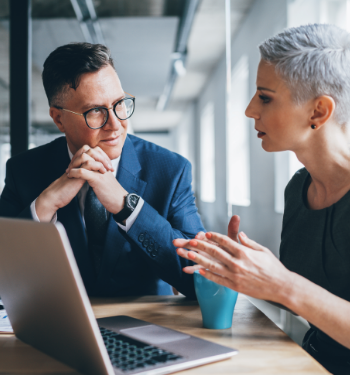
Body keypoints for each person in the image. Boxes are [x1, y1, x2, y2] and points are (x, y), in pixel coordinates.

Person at [174, 24, 350, 374]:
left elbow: (294, 291)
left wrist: (281, 283)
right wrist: (235, 266)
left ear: (318, 112)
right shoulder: (298, 190)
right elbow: (306, 300)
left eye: (265, 97)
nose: (250, 109)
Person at [0, 43, 204, 298]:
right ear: (58, 119)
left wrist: (126, 207)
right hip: (60, 326)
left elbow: (200, 277)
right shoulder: (24, 171)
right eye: (95, 111)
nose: (116, 124)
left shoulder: (171, 170)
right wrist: (45, 204)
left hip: (147, 326)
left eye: (119, 103)